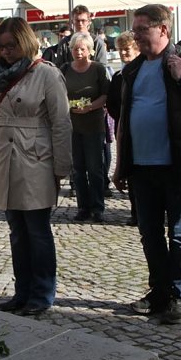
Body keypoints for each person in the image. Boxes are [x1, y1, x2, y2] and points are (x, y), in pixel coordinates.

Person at [112, 4, 181, 324]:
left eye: (142, 29)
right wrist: (120, 165)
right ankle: (158, 291)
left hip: (177, 165)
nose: (136, 35)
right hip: (141, 167)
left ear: (163, 30)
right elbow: (123, 122)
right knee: (149, 233)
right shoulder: (131, 70)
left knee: (179, 232)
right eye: (135, 30)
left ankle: (178, 294)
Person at [0, 17, 72, 316]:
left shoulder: (46, 74)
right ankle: (22, 290)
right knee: (16, 231)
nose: (6, 51)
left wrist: (61, 167)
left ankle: (42, 293)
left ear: (25, 42)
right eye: (1, 46)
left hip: (35, 159)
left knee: (37, 230)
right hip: (3, 157)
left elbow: (61, 122)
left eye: (12, 45)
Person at [62, 32, 110, 223]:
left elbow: (106, 95)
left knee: (95, 168)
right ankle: (83, 207)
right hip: (72, 126)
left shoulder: (98, 69)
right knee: (78, 169)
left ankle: (98, 207)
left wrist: (90, 106)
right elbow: (58, 94)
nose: (79, 52)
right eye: (75, 49)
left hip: (93, 124)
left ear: (90, 50)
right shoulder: (65, 69)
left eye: (82, 48)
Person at [106, 31, 140, 225]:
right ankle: (136, 211)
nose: (123, 53)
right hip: (124, 129)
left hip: (141, 129)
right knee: (130, 170)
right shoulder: (119, 76)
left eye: (126, 49)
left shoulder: (141, 71)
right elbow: (111, 103)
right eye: (120, 50)